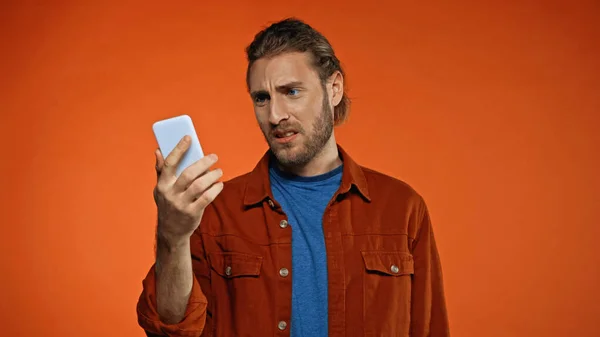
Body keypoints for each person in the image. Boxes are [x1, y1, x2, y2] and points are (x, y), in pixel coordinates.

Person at [136, 17, 450, 337]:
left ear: (334, 89)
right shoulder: (214, 209)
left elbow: (429, 327)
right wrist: (172, 237)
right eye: (262, 98)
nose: (275, 115)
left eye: (292, 91)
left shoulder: (402, 207)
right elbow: (170, 331)